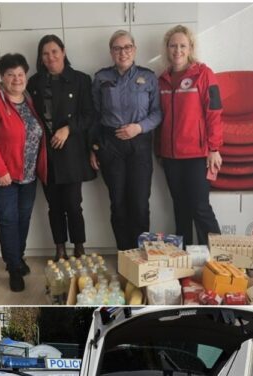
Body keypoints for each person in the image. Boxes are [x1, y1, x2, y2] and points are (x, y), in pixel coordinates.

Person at [0, 53, 47, 292]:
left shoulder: (28, 100)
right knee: (8, 221)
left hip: (28, 175)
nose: (16, 79)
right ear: (1, 77)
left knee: (23, 219)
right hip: (2, 177)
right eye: (10, 74)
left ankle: (18, 257)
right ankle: (13, 268)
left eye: (20, 74)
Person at [90, 30, 162, 250]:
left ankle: (141, 255)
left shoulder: (148, 77)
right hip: (110, 146)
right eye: (117, 48)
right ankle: (124, 253)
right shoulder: (101, 78)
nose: (123, 52)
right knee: (118, 204)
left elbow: (157, 112)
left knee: (140, 204)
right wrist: (93, 148)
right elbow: (94, 115)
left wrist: (138, 127)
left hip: (139, 144)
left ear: (135, 49)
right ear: (111, 52)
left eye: (127, 47)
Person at [27, 34, 95, 260]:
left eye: (54, 51)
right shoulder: (34, 82)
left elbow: (89, 115)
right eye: (45, 54)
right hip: (46, 154)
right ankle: (59, 249)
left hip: (72, 153)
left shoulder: (81, 80)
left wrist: (68, 129)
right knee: (54, 206)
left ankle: (79, 247)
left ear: (63, 52)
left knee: (74, 205)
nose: (50, 57)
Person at [158, 25, 223, 246]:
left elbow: (214, 113)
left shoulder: (204, 74)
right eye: (173, 45)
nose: (178, 50)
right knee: (180, 208)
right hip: (170, 157)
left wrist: (214, 148)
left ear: (190, 48)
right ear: (167, 49)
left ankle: (219, 258)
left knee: (200, 207)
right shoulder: (162, 80)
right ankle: (184, 257)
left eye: (182, 45)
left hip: (198, 155)